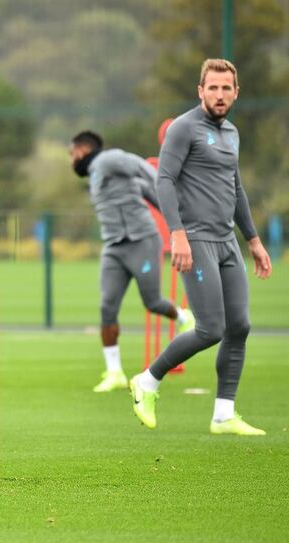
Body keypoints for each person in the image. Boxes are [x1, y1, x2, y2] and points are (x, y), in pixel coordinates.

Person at [129, 59, 272, 435]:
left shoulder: (232, 134)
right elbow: (164, 180)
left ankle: (224, 414)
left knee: (239, 325)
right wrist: (177, 234)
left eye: (226, 88)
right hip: (195, 241)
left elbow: (236, 189)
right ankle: (147, 380)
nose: (220, 94)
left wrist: (253, 240)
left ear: (236, 92)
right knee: (211, 328)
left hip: (227, 243)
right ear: (201, 90)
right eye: (213, 88)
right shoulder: (184, 128)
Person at [70, 131, 194, 392]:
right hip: (114, 246)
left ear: (82, 149)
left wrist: (173, 211)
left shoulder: (107, 159)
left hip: (141, 241)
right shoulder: (96, 174)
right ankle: (114, 372)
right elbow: (141, 190)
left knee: (153, 301)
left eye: (72, 154)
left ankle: (184, 317)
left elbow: (141, 168)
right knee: (107, 307)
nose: (72, 160)